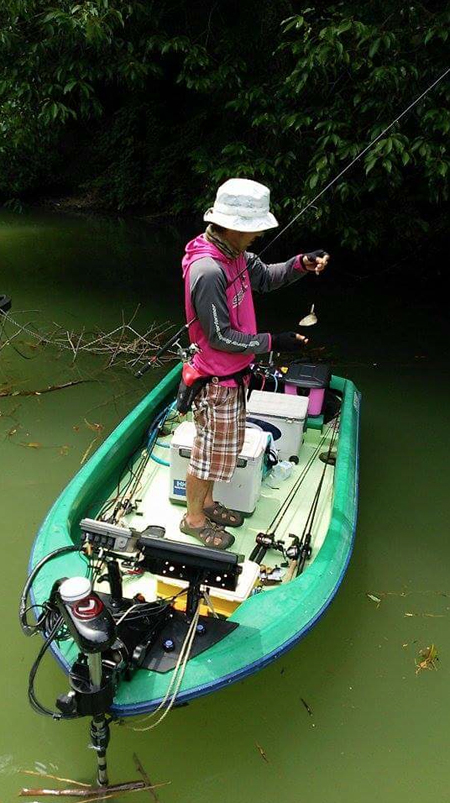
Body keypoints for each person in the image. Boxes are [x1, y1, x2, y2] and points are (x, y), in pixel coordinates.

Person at [180, 178, 329, 550]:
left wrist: (300, 265)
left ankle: (209, 504)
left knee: (222, 451)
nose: (258, 235)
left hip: (236, 375)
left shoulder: (236, 257)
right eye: (253, 229)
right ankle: (194, 518)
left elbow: (265, 278)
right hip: (216, 380)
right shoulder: (208, 271)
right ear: (232, 227)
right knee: (207, 452)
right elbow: (219, 336)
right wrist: (272, 342)